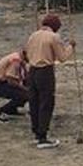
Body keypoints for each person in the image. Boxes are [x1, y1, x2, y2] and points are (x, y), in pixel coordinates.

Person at [24, 14, 75, 148]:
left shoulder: (33, 35)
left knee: (34, 102)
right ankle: (43, 137)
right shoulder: (53, 37)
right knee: (46, 103)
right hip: (45, 71)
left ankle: (36, 133)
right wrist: (71, 47)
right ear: (56, 27)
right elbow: (62, 57)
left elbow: (27, 53)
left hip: (32, 71)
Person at [0, 49, 29, 122]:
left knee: (25, 92)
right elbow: (11, 80)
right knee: (24, 95)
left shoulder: (18, 57)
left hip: (0, 82)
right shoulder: (16, 61)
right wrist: (24, 88)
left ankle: (11, 110)